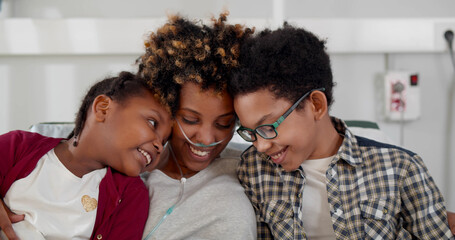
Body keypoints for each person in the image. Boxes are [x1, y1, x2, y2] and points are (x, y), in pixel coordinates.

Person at [229, 24, 455, 239]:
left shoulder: (401, 169)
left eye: (268, 127)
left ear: (316, 105)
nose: (260, 145)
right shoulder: (253, 170)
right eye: (250, 132)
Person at [0, 71, 172, 240]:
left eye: (164, 141)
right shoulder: (18, 145)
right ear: (103, 109)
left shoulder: (131, 195)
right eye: (152, 123)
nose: (159, 145)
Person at [137, 13, 257, 239]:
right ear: (167, 108)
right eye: (191, 120)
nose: (206, 138)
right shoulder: (137, 173)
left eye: (224, 123)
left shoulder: (250, 167)